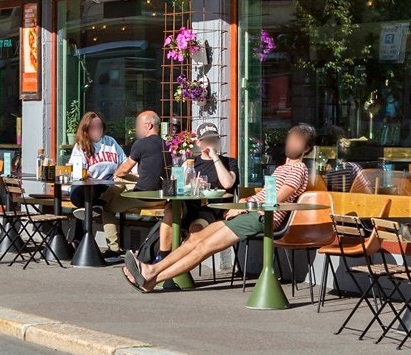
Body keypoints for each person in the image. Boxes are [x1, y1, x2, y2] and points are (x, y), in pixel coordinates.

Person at [125, 123, 314, 292]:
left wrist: (242, 208)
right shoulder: (281, 168)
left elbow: (273, 200)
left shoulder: (299, 170)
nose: (292, 143)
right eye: (291, 138)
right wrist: (240, 205)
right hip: (249, 213)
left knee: (204, 247)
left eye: (298, 141)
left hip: (260, 218)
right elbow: (262, 196)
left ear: (306, 148)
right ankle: (151, 275)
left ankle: (152, 275)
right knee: (195, 239)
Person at [100, 110, 169, 253]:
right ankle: (99, 202)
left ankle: (113, 248)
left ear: (148, 125)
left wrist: (117, 173)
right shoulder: (166, 144)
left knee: (106, 207)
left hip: (145, 196)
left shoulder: (141, 144)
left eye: (138, 125)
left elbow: (123, 170)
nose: (136, 129)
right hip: (163, 196)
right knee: (122, 182)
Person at [183, 122, 237, 234]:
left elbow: (227, 184)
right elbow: (181, 187)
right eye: (208, 141)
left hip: (215, 209)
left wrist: (214, 157)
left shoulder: (229, 162)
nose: (211, 144)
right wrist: (193, 184)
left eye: (214, 140)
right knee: (170, 214)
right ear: (199, 143)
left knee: (197, 226)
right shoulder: (191, 163)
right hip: (191, 207)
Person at [68, 111, 125, 213]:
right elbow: (75, 171)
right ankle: (90, 211)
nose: (97, 130)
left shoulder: (110, 142)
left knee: (87, 206)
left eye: (99, 126)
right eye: (93, 127)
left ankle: (88, 211)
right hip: (89, 187)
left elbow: (124, 163)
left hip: (108, 186)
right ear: (86, 129)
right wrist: (84, 173)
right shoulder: (81, 146)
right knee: (83, 193)